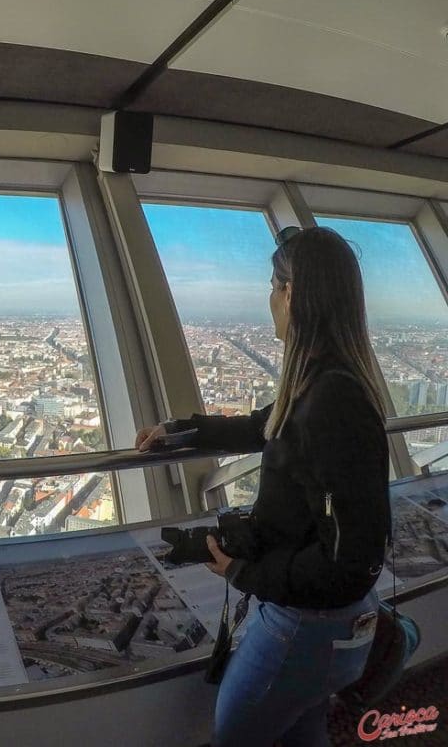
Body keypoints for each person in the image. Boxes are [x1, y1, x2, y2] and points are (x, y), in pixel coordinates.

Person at [136, 226, 391, 747]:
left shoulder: (331, 401)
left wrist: (245, 571)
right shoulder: (324, 382)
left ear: (293, 295)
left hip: (305, 623)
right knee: (301, 726)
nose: (268, 298)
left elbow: (351, 560)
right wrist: (184, 429)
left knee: (237, 734)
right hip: (318, 620)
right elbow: (265, 425)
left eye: (274, 285)